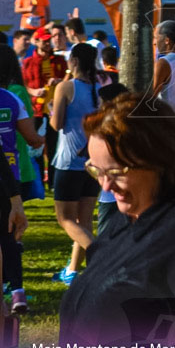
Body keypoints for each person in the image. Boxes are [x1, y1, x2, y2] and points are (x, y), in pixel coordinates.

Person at [59, 93, 175, 348]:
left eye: (115, 172)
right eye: (96, 170)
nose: (106, 185)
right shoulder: (128, 218)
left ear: (157, 159)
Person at [49, 43, 105, 285]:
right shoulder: (99, 88)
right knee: (85, 220)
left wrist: (52, 105)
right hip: (92, 162)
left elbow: (57, 124)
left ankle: (101, 257)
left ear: (72, 60)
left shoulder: (66, 87)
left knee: (66, 219)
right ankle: (72, 271)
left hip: (69, 161)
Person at [0, 44, 44, 314]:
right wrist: (42, 141)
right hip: (11, 176)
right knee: (9, 235)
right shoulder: (11, 98)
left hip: (7, 176)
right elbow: (31, 137)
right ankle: (17, 290)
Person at [21, 26, 68, 186]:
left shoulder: (60, 61)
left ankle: (54, 181)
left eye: (49, 41)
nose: (48, 44)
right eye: (44, 41)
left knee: (55, 146)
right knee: (36, 146)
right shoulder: (28, 63)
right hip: (37, 111)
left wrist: (59, 82)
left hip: (56, 110)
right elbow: (23, 85)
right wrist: (34, 92)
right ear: (37, 42)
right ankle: (39, 179)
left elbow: (69, 82)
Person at [151, 20, 175, 118]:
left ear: (167, 40)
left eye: (156, 37)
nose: (154, 41)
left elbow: (151, 95)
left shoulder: (164, 63)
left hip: (170, 119)